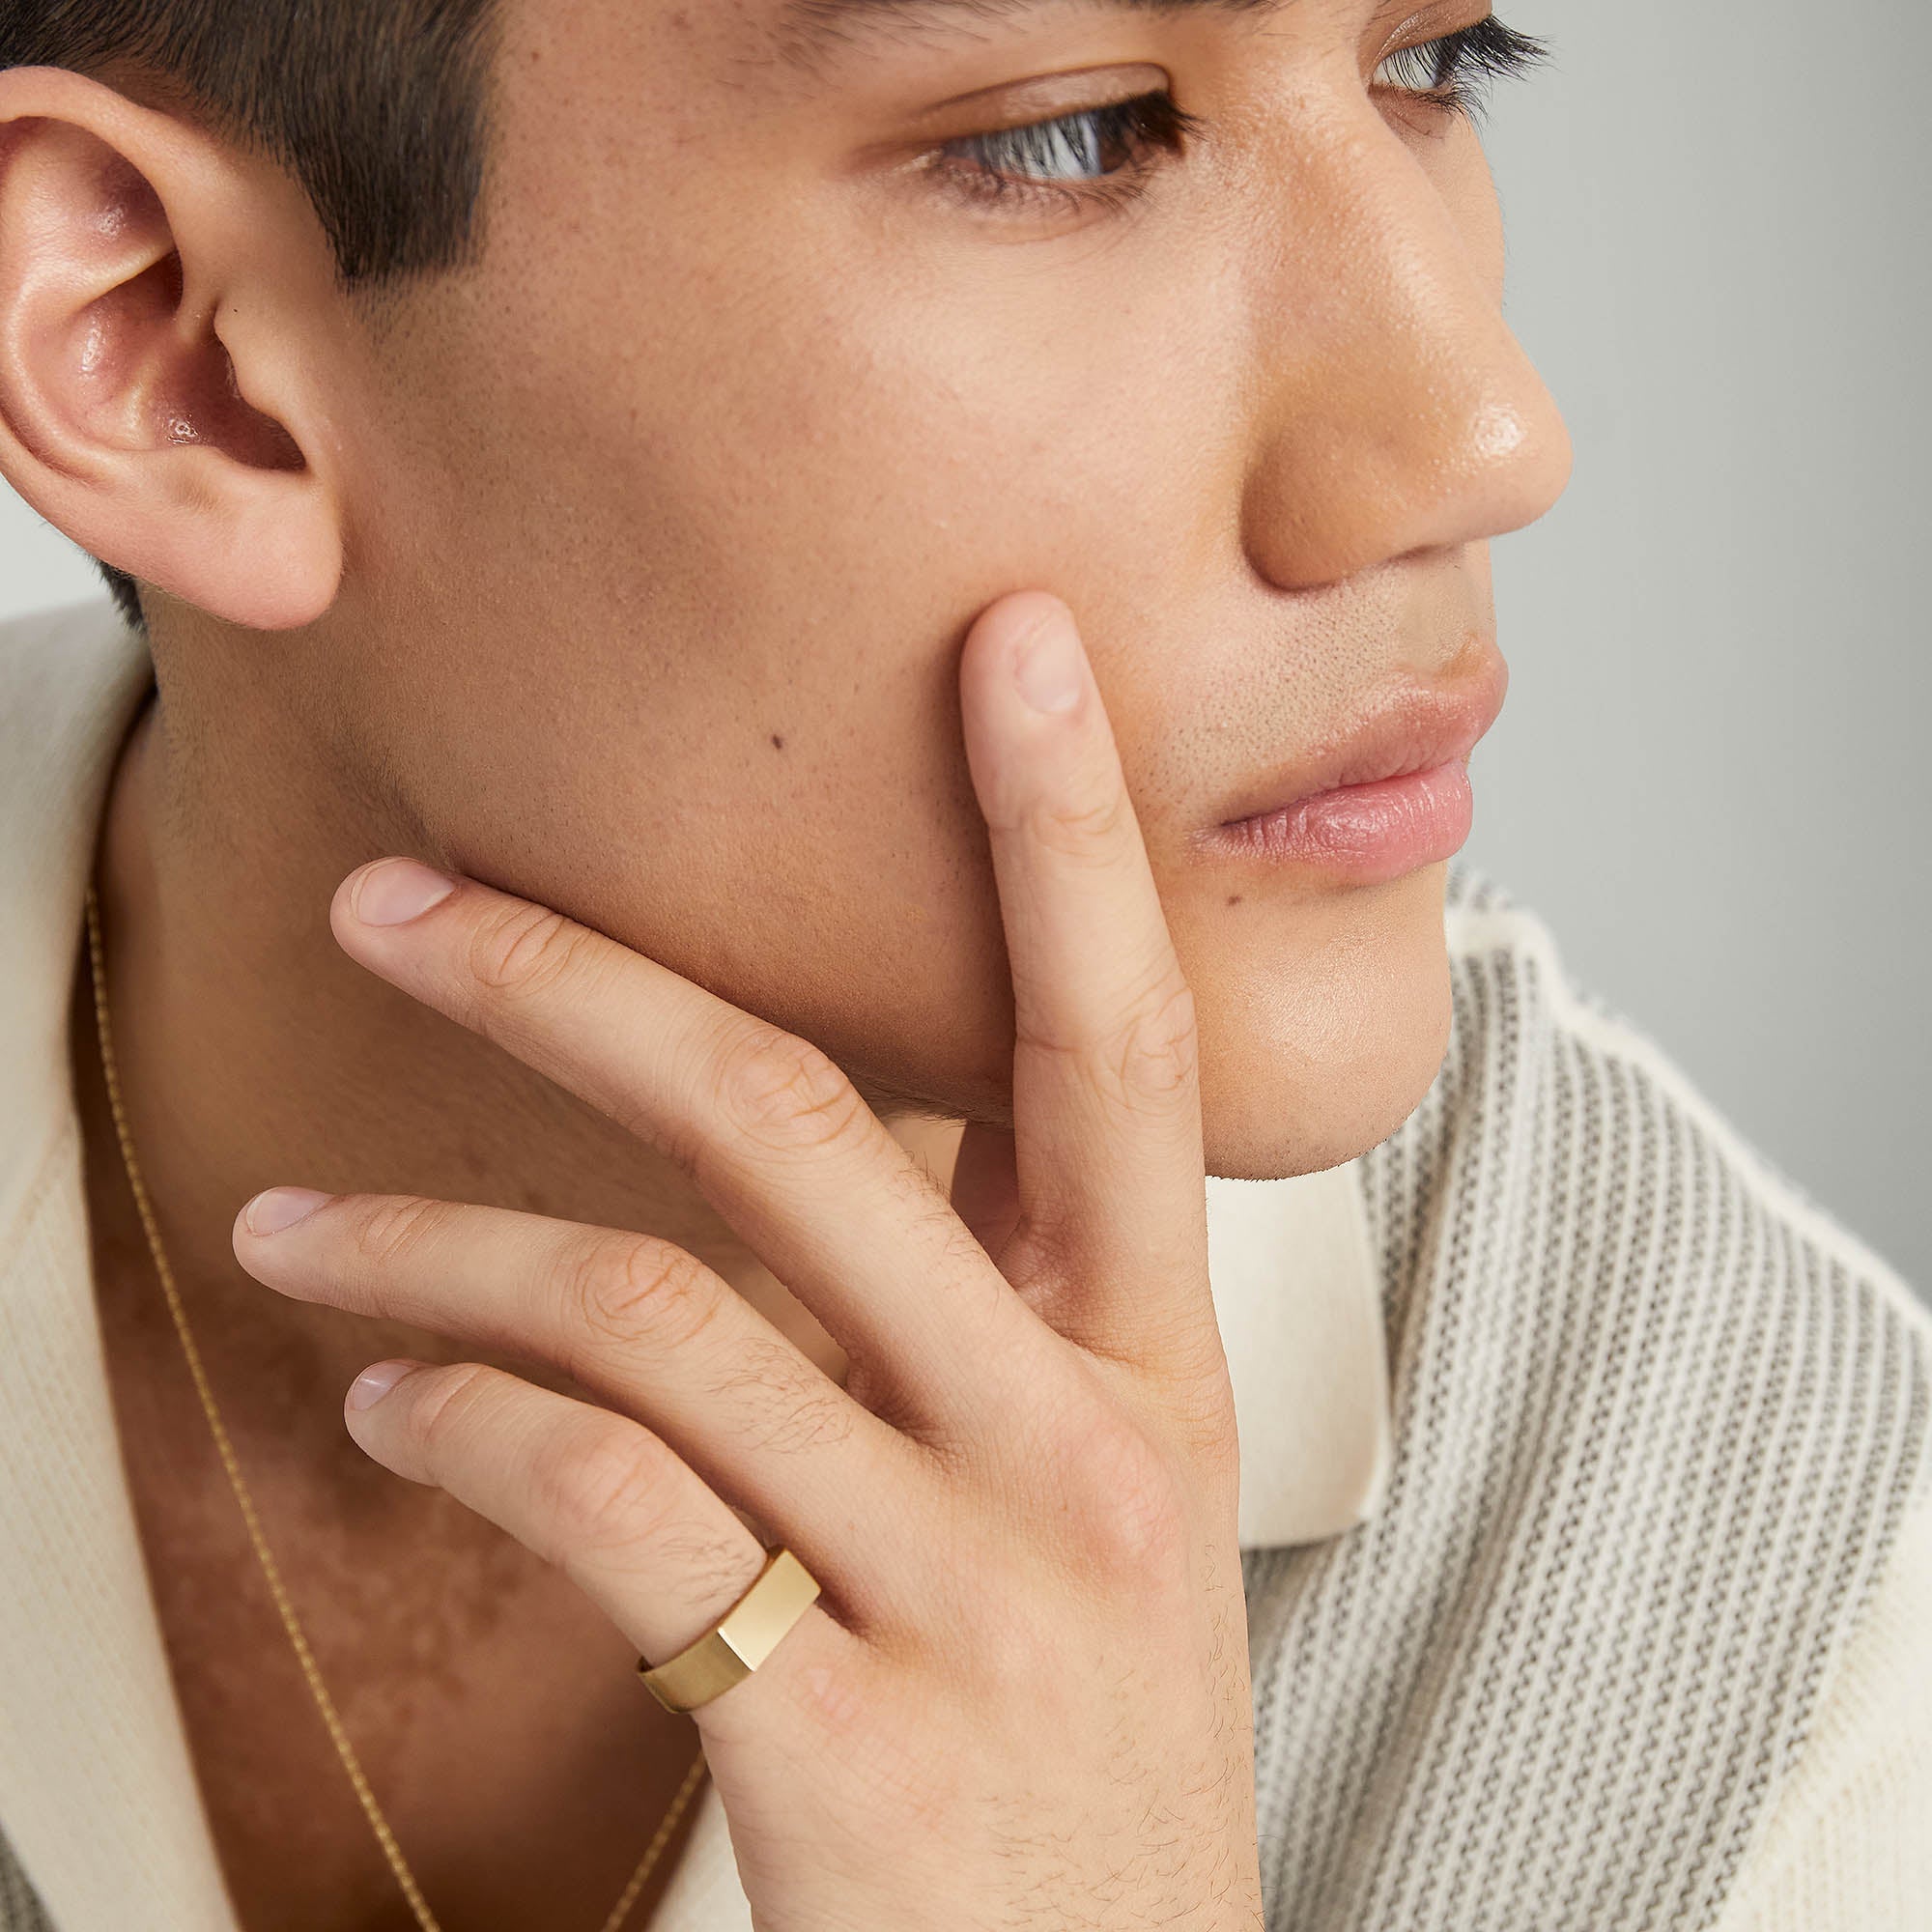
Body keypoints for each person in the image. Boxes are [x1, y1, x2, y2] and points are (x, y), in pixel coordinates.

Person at [1, 3, 1926, 1929]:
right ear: (174, 350)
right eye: (1070, 135)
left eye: (1434, 63)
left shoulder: (1795, 1606)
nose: (1483, 438)